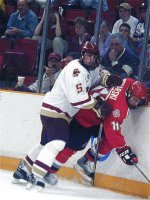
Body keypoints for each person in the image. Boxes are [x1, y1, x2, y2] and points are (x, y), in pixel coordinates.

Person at [12, 41, 122, 189]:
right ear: (82, 55)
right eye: (87, 56)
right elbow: (77, 99)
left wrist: (106, 79)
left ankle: (23, 170)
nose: (89, 59)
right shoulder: (76, 70)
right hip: (56, 112)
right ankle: (36, 175)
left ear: (97, 58)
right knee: (59, 142)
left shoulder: (90, 67)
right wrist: (97, 105)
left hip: (54, 111)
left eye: (93, 56)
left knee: (44, 143)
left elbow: (97, 75)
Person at [36, 77, 148, 183]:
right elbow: (111, 130)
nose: (136, 103)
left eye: (138, 101)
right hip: (83, 117)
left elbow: (129, 83)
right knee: (73, 147)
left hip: (95, 115)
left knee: (110, 141)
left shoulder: (128, 82)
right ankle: (46, 171)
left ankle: (85, 161)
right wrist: (123, 150)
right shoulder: (119, 107)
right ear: (129, 93)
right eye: (134, 99)